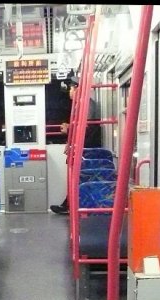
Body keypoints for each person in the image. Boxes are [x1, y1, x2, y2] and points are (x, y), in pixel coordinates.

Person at [50, 75, 103, 215]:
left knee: (80, 177)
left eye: (71, 88)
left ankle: (70, 205)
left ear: (77, 88)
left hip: (87, 149)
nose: (69, 92)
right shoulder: (81, 105)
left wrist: (70, 129)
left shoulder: (87, 105)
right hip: (82, 147)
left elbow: (88, 130)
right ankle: (68, 204)